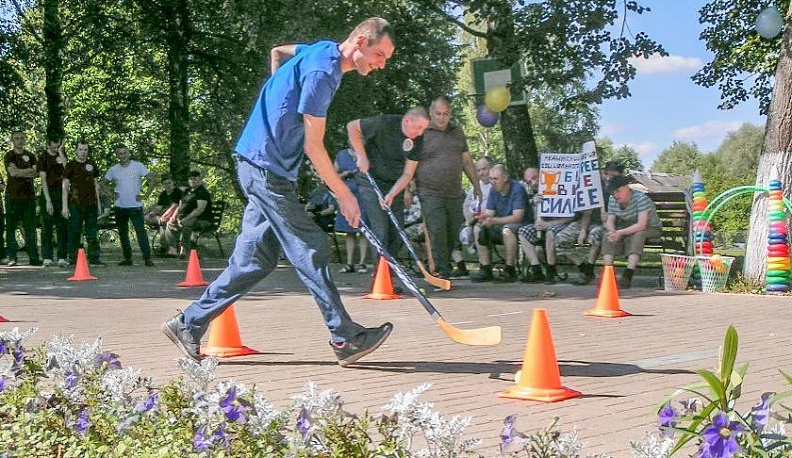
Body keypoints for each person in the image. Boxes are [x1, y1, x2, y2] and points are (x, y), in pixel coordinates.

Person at [162, 18, 396, 368]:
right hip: (266, 171)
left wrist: (275, 90)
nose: (381, 63)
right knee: (311, 247)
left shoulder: (320, 49)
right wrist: (345, 195)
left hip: (260, 166)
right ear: (360, 42)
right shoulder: (323, 75)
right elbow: (315, 148)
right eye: (379, 54)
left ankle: (188, 324)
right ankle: (344, 336)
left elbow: (279, 50)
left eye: (386, 58)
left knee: (254, 261)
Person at [347, 108, 430, 264]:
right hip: (370, 181)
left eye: (424, 129)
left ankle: (389, 276)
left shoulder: (418, 140)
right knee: (380, 229)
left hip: (394, 185)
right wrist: (362, 156)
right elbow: (352, 127)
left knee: (396, 233)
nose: (420, 133)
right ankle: (380, 276)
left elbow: (407, 174)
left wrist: (392, 193)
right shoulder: (384, 123)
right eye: (418, 127)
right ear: (407, 121)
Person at [414, 97, 480, 280]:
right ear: (430, 112)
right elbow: (410, 162)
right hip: (429, 191)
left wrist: (476, 185)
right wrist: (408, 187)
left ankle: (440, 265)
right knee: (436, 230)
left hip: (454, 191)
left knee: (452, 231)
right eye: (438, 114)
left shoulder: (457, 132)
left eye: (446, 114)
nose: (442, 118)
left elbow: (466, 160)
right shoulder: (421, 132)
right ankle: (439, 272)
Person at [471, 164, 530, 283]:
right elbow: (490, 212)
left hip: (521, 224)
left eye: (495, 179)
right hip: (502, 223)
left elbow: (517, 217)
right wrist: (483, 216)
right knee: (478, 228)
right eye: (491, 179)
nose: (492, 182)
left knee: (507, 230)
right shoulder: (494, 190)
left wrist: (494, 220)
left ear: (505, 177)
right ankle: (486, 268)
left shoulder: (517, 189)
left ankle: (509, 269)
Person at [602, 175, 662, 289]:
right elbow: (610, 220)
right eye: (613, 192)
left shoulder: (641, 199)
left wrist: (620, 233)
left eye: (618, 191)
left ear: (626, 188)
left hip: (650, 228)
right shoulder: (612, 199)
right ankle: (608, 274)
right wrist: (612, 231)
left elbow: (641, 225)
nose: (615, 195)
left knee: (638, 234)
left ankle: (627, 275)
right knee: (607, 235)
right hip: (628, 226)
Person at [104, 144, 155, 266]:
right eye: (120, 154)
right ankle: (127, 258)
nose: (123, 156)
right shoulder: (113, 169)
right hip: (120, 206)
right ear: (117, 155)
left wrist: (146, 195)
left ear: (129, 154)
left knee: (140, 231)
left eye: (124, 153)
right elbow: (102, 184)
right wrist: (111, 195)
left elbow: (152, 179)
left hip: (135, 205)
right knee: (123, 233)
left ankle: (147, 258)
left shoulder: (138, 166)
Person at [61, 139, 103, 266]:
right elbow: (65, 187)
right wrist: (64, 207)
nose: (83, 152)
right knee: (74, 231)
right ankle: (73, 259)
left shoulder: (92, 165)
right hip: (75, 204)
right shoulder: (70, 166)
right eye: (81, 149)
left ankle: (94, 259)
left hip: (91, 204)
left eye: (85, 150)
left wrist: (99, 205)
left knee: (92, 232)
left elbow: (96, 186)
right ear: (76, 150)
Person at [4, 129, 42, 266]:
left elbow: (36, 173)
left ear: (25, 139)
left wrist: (22, 172)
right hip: (12, 196)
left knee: (30, 228)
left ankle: (34, 257)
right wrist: (27, 171)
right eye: (17, 138)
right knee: (11, 228)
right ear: (13, 140)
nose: (20, 140)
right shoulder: (9, 155)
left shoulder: (31, 155)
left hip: (29, 196)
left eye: (22, 138)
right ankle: (12, 257)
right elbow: (12, 173)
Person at [333, 147, 369, 274]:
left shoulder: (366, 152)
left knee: (364, 230)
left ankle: (362, 263)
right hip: (346, 196)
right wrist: (345, 174)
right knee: (349, 230)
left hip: (363, 196)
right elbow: (332, 174)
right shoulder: (341, 155)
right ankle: (349, 263)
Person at [162, 170, 212, 258]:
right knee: (170, 223)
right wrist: (174, 216)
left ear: (200, 179)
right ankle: (172, 250)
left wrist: (186, 218)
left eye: (195, 179)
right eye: (191, 179)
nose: (193, 181)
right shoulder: (186, 191)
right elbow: (180, 205)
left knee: (186, 224)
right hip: (184, 217)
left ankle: (184, 250)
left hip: (201, 219)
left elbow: (199, 210)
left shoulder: (202, 192)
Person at [38, 138, 69, 267]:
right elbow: (43, 180)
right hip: (47, 194)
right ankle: (47, 257)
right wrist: (48, 201)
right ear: (48, 145)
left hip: (61, 194)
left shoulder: (62, 154)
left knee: (62, 226)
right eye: (54, 147)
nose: (56, 149)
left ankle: (62, 257)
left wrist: (61, 153)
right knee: (47, 228)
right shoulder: (43, 157)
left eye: (58, 146)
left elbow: (68, 172)